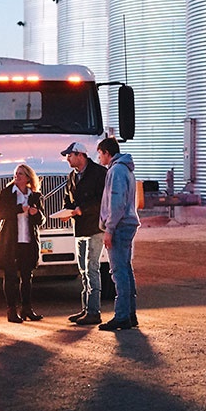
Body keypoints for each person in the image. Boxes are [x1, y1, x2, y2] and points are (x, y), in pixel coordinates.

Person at [0, 164, 45, 323]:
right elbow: (0, 214)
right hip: (10, 241)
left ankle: (27, 308)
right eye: (16, 174)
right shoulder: (7, 193)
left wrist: (36, 213)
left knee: (27, 276)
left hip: (27, 240)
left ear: (28, 177)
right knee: (10, 276)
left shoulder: (35, 196)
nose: (17, 176)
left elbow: (41, 220)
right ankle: (11, 310)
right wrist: (20, 208)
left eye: (21, 174)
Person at [60, 142, 107, 326]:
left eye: (69, 155)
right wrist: (66, 212)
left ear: (80, 155)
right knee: (83, 270)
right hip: (79, 229)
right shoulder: (72, 176)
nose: (67, 159)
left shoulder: (98, 173)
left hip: (95, 228)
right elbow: (68, 198)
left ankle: (94, 312)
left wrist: (82, 209)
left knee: (92, 268)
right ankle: (86, 309)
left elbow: (102, 200)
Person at [96, 136, 140, 331]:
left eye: (100, 154)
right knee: (126, 269)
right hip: (128, 223)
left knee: (118, 271)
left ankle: (122, 316)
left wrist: (109, 229)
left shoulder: (116, 171)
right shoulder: (127, 169)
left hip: (120, 225)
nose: (99, 159)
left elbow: (116, 203)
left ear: (107, 153)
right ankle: (130, 314)